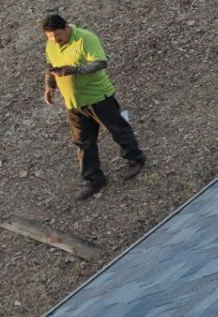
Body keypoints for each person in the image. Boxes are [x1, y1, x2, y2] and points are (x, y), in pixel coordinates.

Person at [41, 12, 146, 199]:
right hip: (74, 103)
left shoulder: (85, 39)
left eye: (57, 36)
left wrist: (75, 70)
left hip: (98, 97)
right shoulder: (51, 44)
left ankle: (135, 158)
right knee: (83, 142)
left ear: (66, 27)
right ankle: (93, 179)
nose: (55, 41)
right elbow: (51, 65)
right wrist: (50, 86)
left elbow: (100, 63)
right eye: (50, 37)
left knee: (118, 130)